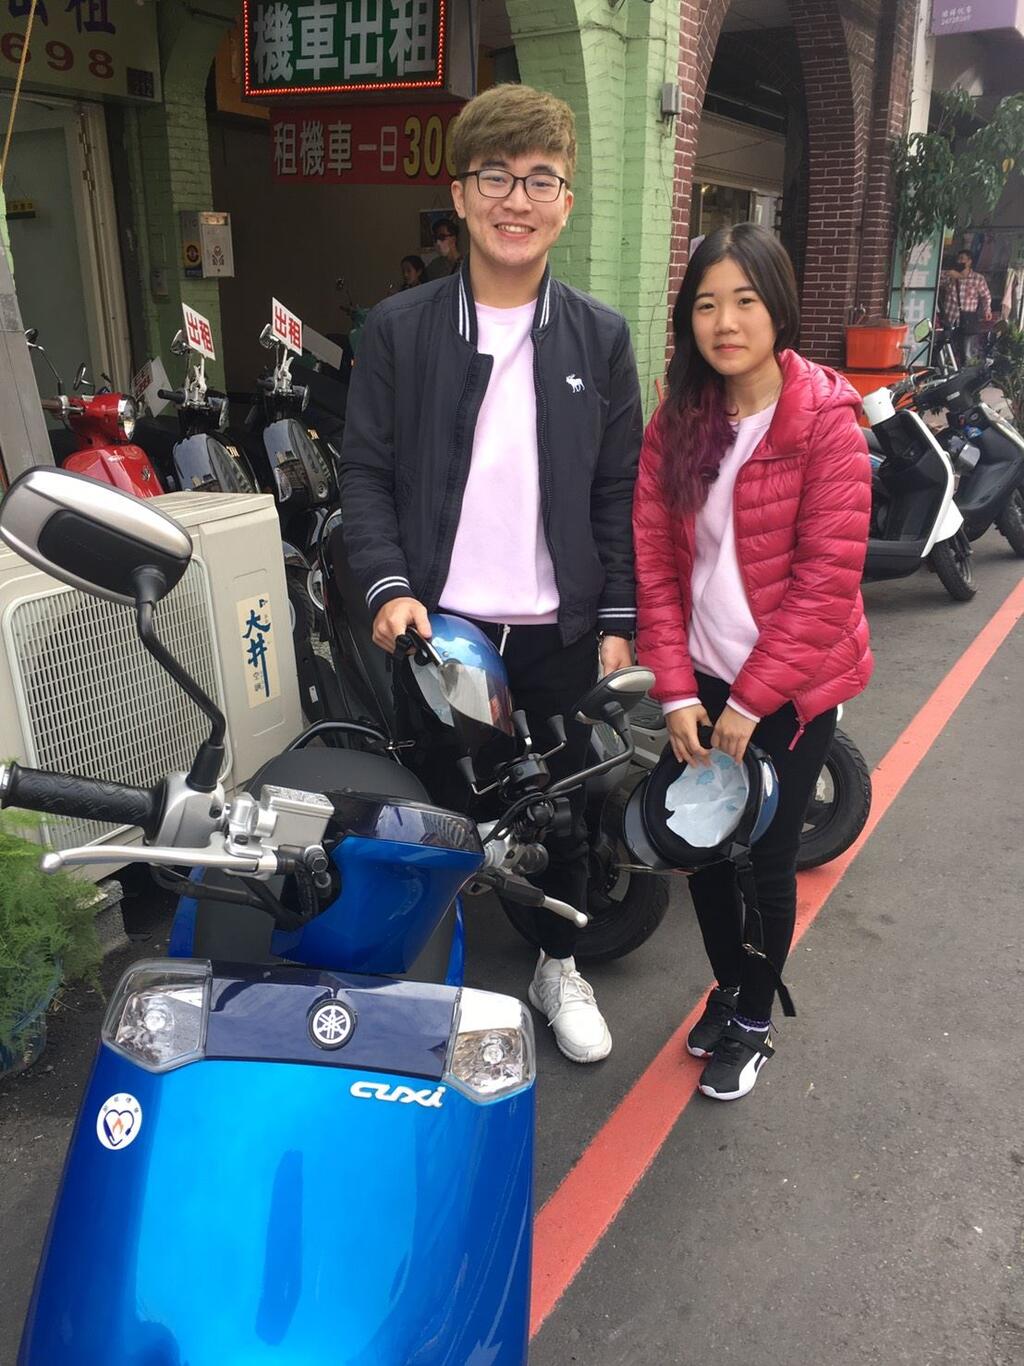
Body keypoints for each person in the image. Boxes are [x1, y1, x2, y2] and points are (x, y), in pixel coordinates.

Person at [340, 83, 642, 1063]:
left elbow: (618, 490)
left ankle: (558, 966)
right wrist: (388, 585)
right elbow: (366, 474)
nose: (518, 199)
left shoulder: (599, 337)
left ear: (566, 201)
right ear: (461, 196)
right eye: (496, 177)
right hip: (441, 630)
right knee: (435, 818)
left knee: (565, 816)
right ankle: (427, 988)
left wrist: (619, 616)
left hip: (557, 632)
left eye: (540, 179)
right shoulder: (400, 329)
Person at [633, 223, 873, 1101]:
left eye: (743, 300)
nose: (725, 322)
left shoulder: (826, 423)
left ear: (778, 307)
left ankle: (755, 1020)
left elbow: (825, 583)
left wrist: (751, 702)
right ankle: (731, 987)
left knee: (765, 861)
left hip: (792, 690)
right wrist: (674, 691)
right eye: (705, 305)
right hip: (700, 679)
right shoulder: (679, 422)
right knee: (698, 848)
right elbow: (655, 567)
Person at [939, 248, 992, 363]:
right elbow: (935, 281)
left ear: (969, 262)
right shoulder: (950, 275)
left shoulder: (977, 279)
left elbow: (985, 296)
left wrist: (987, 310)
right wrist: (949, 274)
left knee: (967, 351)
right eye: (958, 259)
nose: (959, 261)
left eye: (962, 259)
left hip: (968, 320)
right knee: (947, 349)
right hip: (950, 318)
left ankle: (966, 370)